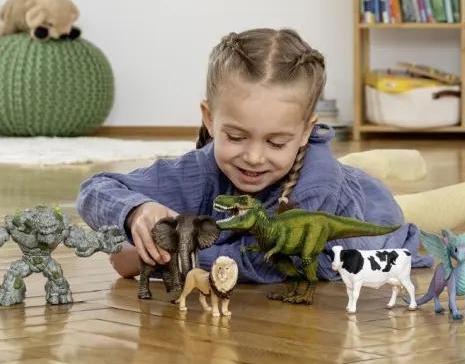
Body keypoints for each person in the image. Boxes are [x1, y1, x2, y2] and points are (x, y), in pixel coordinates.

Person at [75, 27, 432, 292]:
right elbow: (95, 190)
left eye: (275, 142)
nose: (254, 157)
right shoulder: (203, 168)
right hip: (317, 173)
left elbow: (265, 263)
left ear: (305, 132)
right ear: (209, 119)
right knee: (346, 170)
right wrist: (136, 211)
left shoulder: (312, 192)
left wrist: (156, 261)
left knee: (408, 210)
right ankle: (364, 162)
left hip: (370, 208)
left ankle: (365, 168)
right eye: (236, 137)